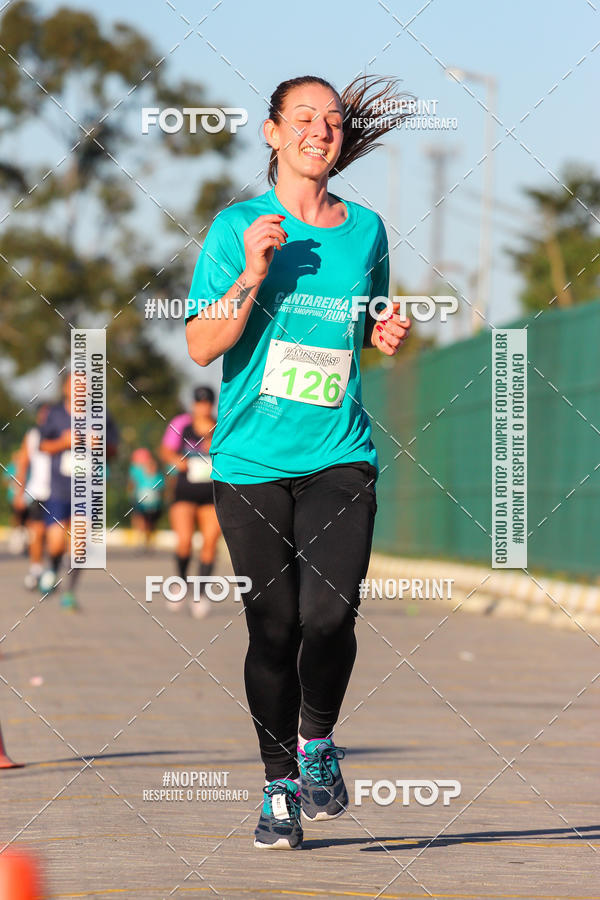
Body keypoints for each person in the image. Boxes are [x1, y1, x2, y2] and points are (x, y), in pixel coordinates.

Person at [184, 74, 411, 849]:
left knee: (330, 613)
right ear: (273, 133)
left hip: (338, 453)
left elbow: (369, 316)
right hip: (250, 460)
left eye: (334, 121)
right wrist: (252, 275)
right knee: (274, 628)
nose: (322, 130)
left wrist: (383, 331)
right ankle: (278, 785)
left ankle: (317, 740)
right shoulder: (236, 227)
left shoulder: (367, 231)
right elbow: (202, 344)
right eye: (305, 118)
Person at [39, 372, 118, 610]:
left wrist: (100, 445)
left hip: (87, 490)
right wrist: (63, 442)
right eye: (75, 385)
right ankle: (52, 569)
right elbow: (42, 445)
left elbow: (114, 451)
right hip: (59, 489)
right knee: (55, 542)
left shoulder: (102, 416)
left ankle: (70, 592)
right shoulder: (54, 415)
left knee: (80, 543)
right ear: (65, 388)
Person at [159, 386, 221, 618]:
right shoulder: (181, 424)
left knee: (210, 542)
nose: (203, 407)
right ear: (194, 404)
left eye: (207, 403)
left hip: (211, 493)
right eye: (199, 402)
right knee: (184, 541)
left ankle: (201, 594)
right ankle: (181, 583)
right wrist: (176, 459)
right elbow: (165, 451)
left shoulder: (220, 425)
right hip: (185, 491)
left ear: (212, 404)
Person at [15, 403, 51, 589]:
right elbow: (23, 464)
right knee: (37, 531)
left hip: (59, 493)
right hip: (38, 492)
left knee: (55, 536)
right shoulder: (32, 435)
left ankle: (52, 570)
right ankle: (36, 569)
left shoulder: (63, 434)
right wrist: (19, 493)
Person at [128, 448, 165, 551]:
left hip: (154, 504)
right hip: (140, 502)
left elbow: (161, 490)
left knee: (151, 524)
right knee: (139, 520)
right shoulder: (137, 472)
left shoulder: (158, 476)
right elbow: (132, 483)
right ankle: (140, 540)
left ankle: (148, 541)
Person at [4, 449, 29, 556]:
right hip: (13, 496)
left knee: (27, 519)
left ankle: (26, 540)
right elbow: (5, 480)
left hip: (27, 497)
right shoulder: (11, 467)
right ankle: (16, 536)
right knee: (16, 517)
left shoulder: (28, 466)